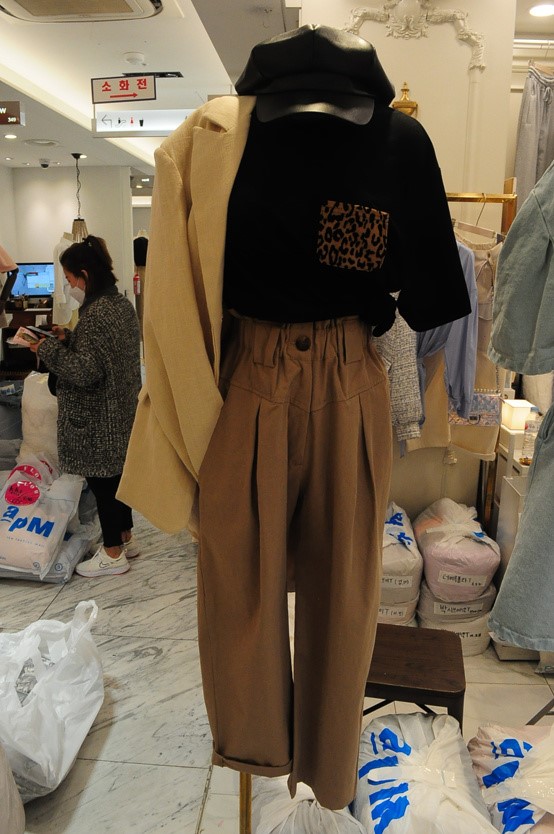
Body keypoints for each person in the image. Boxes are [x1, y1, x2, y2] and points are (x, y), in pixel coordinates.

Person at [119, 25, 471, 809]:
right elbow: (173, 298)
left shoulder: (400, 142)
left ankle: (328, 766)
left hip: (350, 377)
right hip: (247, 376)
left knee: (344, 588)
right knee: (238, 580)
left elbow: (430, 294)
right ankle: (255, 750)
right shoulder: (209, 140)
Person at [30, 234, 142, 578]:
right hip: (119, 410)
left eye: (69, 280)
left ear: (84, 275)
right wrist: (68, 339)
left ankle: (112, 553)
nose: (69, 287)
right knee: (118, 478)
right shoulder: (120, 305)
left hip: (97, 416)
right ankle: (125, 538)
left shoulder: (95, 314)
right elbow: (101, 355)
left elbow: (85, 371)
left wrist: (45, 349)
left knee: (104, 483)